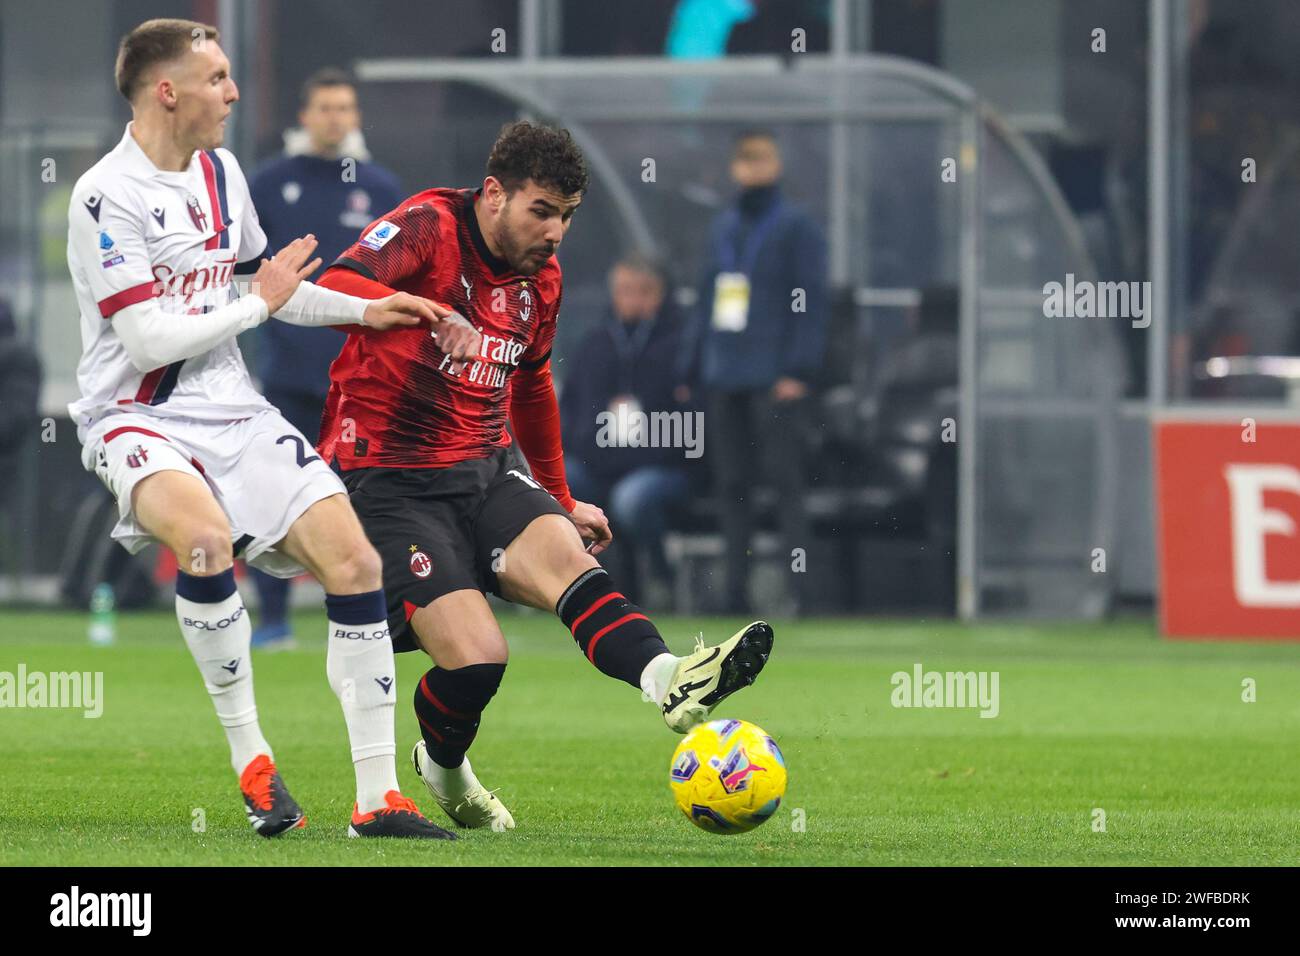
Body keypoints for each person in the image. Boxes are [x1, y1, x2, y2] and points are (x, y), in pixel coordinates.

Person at [67, 18, 466, 839]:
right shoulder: (106, 196)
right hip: (134, 415)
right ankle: (252, 761)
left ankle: (376, 800)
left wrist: (366, 311)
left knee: (356, 561)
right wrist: (262, 303)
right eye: (216, 78)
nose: (234, 92)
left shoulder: (222, 172)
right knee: (206, 541)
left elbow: (265, 282)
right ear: (166, 90)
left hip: (233, 408)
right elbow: (148, 340)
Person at [315, 120, 774, 831]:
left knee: (566, 556)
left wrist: (560, 498)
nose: (556, 231)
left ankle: (669, 681)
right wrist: (417, 314)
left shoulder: (542, 279)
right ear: (493, 194)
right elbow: (334, 282)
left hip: (484, 467)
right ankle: (442, 767)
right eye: (542, 211)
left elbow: (531, 388)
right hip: (388, 480)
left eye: (567, 216)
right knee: (477, 661)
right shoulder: (429, 227)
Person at [246, 68, 403, 649]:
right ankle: (276, 620)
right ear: (305, 115)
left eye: (346, 108)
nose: (336, 117)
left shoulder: (383, 190)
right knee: (277, 497)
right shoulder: (268, 184)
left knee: (369, 498)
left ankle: (374, 615)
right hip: (288, 376)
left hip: (364, 380)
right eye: (325, 107)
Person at [681, 129, 827, 614]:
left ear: (776, 165)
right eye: (744, 160)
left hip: (773, 377)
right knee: (732, 487)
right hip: (726, 372)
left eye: (760, 159)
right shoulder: (724, 226)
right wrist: (694, 362)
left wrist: (798, 369)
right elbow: (706, 296)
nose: (751, 169)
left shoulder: (795, 226)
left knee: (785, 484)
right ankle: (734, 592)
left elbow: (811, 303)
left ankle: (803, 593)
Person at [560, 253, 697, 605]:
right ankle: (576, 581)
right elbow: (571, 411)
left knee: (632, 499)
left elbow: (693, 427)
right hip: (600, 464)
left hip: (663, 467)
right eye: (624, 290)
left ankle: (659, 579)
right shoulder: (596, 344)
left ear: (662, 294)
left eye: (643, 291)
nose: (633, 299)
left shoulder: (682, 346)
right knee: (562, 483)